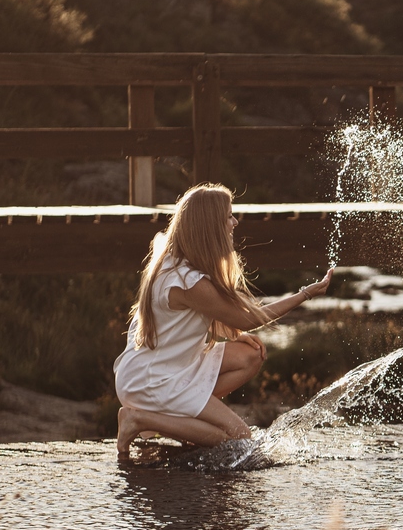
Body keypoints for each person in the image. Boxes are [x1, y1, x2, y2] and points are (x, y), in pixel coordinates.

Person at [114, 183, 333, 456]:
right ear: (209, 226)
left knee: (249, 354)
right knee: (238, 440)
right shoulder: (187, 281)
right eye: (228, 216)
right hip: (152, 381)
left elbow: (198, 317)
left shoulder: (174, 258)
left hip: (169, 368)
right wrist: (304, 294)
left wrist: (235, 335)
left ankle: (186, 419)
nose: (234, 222)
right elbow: (251, 318)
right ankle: (140, 419)